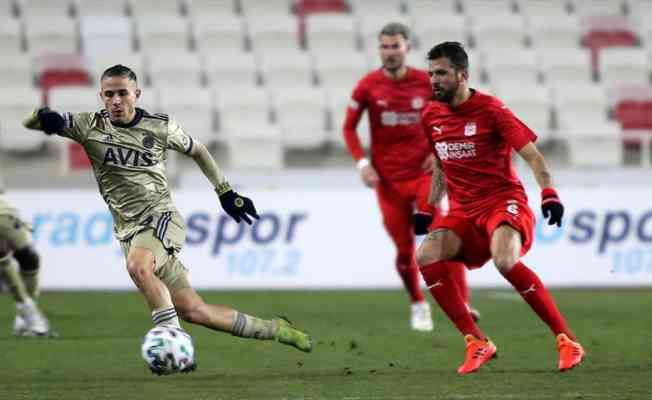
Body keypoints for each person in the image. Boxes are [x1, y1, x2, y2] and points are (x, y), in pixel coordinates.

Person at [23, 65, 313, 373]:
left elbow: (198, 150)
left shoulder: (159, 127)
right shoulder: (87, 125)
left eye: (123, 93)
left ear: (137, 94)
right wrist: (41, 116)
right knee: (195, 310)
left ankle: (175, 343)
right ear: (102, 96)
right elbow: (31, 122)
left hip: (161, 218)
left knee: (138, 266)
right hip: (128, 232)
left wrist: (225, 192)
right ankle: (276, 329)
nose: (117, 100)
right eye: (110, 94)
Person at [416, 41, 584, 374]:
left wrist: (549, 192)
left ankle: (566, 340)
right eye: (431, 73)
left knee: (505, 260)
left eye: (442, 73)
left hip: (502, 203)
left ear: (462, 75)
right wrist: (428, 206)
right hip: (464, 211)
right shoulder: (431, 115)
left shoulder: (492, 110)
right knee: (425, 255)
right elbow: (440, 165)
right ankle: (477, 342)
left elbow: (534, 156)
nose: (434, 80)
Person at [343, 22, 478, 332]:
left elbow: (453, 112)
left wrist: (440, 150)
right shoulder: (367, 86)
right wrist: (362, 162)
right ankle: (418, 302)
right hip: (388, 183)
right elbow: (348, 128)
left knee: (445, 236)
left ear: (407, 48)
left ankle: (464, 303)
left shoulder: (426, 82)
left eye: (395, 46)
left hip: (424, 176)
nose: (390, 52)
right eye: (385, 47)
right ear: (379, 49)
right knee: (405, 252)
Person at [0, 190, 55, 337]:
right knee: (2, 257)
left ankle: (25, 315)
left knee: (29, 258)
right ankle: (29, 312)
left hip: (3, 212)